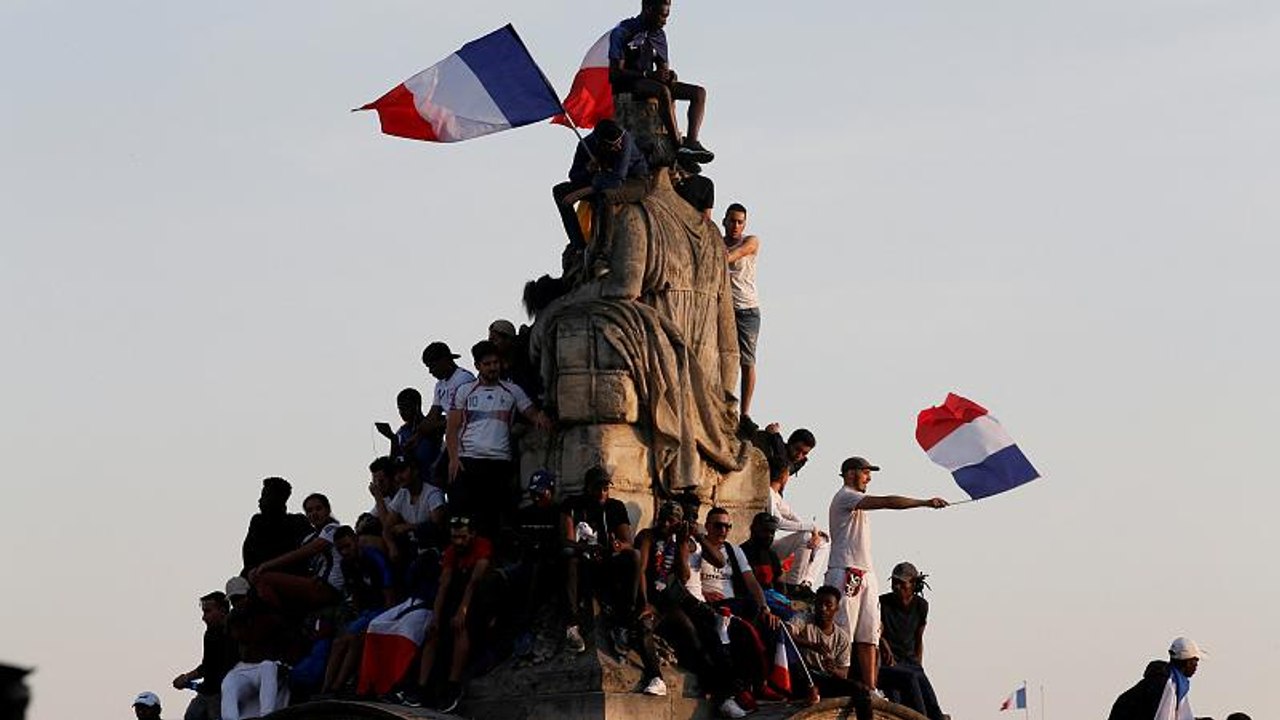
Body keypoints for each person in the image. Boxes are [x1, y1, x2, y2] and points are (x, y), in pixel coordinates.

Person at [825, 457, 948, 694]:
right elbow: (888, 502)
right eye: (865, 473)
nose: (868, 478)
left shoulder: (855, 501)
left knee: (868, 634)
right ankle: (840, 685)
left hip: (866, 572)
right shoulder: (845, 496)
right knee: (844, 633)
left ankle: (870, 688)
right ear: (850, 474)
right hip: (845, 571)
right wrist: (924, 502)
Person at [636, 502, 748, 717]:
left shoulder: (682, 541)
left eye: (672, 521)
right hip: (660, 600)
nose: (667, 524)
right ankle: (656, 677)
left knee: (711, 635)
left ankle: (727, 695)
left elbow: (688, 573)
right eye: (664, 519)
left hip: (680, 600)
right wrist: (644, 603)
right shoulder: (648, 536)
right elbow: (642, 570)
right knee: (688, 632)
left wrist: (685, 541)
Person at [446, 341, 552, 536]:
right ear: (477, 366)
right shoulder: (465, 390)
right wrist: (453, 458)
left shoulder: (512, 390)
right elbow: (451, 428)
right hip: (469, 460)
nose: (493, 367)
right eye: (487, 364)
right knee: (463, 517)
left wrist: (541, 416)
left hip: (499, 462)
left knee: (492, 519)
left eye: (495, 362)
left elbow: (531, 412)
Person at [407, 515, 494, 713]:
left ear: (472, 534)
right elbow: (444, 585)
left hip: (481, 597)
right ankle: (421, 688)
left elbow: (474, 582)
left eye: (462, 537)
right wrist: (435, 618)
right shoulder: (451, 552)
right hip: (458, 595)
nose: (458, 542)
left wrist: (462, 611)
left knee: (460, 628)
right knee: (433, 633)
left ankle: (453, 686)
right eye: (455, 537)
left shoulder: (482, 546)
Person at [608, 0, 714, 163]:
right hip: (629, 85)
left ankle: (692, 142)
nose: (664, 21)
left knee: (698, 93)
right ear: (648, 10)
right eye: (661, 16)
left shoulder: (659, 34)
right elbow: (615, 74)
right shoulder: (623, 31)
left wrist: (669, 76)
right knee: (662, 91)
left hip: (650, 81)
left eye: (667, 16)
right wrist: (647, 74)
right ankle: (677, 145)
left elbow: (663, 68)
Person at [561, 467, 644, 660]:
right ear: (587, 488)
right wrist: (588, 550)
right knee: (569, 558)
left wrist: (618, 546)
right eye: (597, 488)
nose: (602, 493)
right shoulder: (572, 505)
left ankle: (623, 622)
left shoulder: (615, 507)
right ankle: (572, 625)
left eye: (606, 488)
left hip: (607, 562)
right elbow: (566, 540)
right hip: (583, 562)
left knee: (634, 556)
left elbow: (627, 542)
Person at [551, 119, 650, 278]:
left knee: (606, 196)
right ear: (600, 143)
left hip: (634, 182)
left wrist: (584, 191)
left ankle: (602, 255)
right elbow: (574, 176)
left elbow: (617, 179)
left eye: (619, 142)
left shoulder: (625, 140)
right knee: (559, 191)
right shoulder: (586, 145)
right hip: (599, 181)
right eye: (612, 145)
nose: (618, 146)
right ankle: (578, 246)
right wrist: (587, 169)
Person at [321, 526, 396, 696]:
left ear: (355, 540)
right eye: (340, 549)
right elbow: (354, 595)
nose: (345, 552)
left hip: (383, 611)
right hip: (365, 612)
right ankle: (325, 688)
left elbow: (390, 598)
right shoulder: (345, 564)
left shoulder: (375, 558)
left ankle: (337, 687)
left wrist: (381, 622)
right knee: (338, 642)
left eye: (347, 546)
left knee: (355, 639)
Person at [248, 493, 345, 614]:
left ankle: (282, 622)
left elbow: (309, 550)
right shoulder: (309, 538)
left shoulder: (333, 529)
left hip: (329, 588)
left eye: (318, 508)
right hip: (315, 584)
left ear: (328, 510)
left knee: (265, 579)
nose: (314, 513)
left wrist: (266, 566)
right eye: (309, 511)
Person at [786, 586, 872, 720]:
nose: (823, 609)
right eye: (819, 604)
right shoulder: (804, 619)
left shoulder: (842, 637)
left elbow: (844, 672)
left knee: (861, 689)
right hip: (803, 676)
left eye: (828, 605)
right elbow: (787, 632)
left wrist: (833, 669)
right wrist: (813, 646)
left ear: (836, 608)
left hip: (825, 679)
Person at [764, 426, 828, 596]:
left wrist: (815, 531)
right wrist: (809, 528)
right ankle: (793, 586)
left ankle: (806, 583)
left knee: (822, 541)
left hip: (776, 546)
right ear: (784, 475)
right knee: (806, 537)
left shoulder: (777, 496)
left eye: (804, 453)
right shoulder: (768, 494)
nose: (800, 456)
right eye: (797, 450)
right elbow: (777, 522)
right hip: (765, 548)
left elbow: (792, 515)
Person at [878, 562, 944, 720]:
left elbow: (918, 639)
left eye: (901, 583)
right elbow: (875, 632)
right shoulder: (882, 603)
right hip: (890, 665)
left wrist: (918, 665)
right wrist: (883, 643)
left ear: (913, 584)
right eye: (894, 582)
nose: (896, 587)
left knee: (933, 708)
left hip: (911, 663)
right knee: (902, 707)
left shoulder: (921, 606)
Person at [220, 577, 291, 720]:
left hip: (272, 664)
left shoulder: (267, 614)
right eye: (234, 600)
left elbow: (286, 639)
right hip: (247, 667)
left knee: (267, 667)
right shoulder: (233, 620)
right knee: (229, 680)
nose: (238, 602)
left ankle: (267, 715)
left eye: (241, 597)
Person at [172, 591, 238, 720]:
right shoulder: (210, 634)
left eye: (207, 611)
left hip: (223, 691)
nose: (203, 617)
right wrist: (186, 678)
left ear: (223, 611)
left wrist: (187, 679)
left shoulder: (235, 631)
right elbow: (207, 666)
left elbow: (224, 666)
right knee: (192, 715)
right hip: (208, 690)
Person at [723, 203, 761, 428]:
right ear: (725, 222)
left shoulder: (751, 241)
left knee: (747, 361)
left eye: (740, 222)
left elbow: (735, 254)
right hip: (724, 308)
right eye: (732, 221)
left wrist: (716, 254)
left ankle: (745, 413)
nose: (736, 225)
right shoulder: (717, 241)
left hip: (747, 308)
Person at [375, 454, 446, 563]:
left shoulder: (433, 494)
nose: (398, 476)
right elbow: (387, 526)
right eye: (396, 472)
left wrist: (409, 527)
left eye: (402, 471)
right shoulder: (402, 494)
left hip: (433, 550)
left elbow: (437, 526)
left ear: (415, 471)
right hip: (412, 549)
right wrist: (391, 546)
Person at [421, 341, 476, 471]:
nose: (430, 371)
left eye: (432, 366)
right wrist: (418, 433)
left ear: (444, 361)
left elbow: (466, 415)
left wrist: (435, 425)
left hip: (467, 438)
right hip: (452, 438)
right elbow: (433, 414)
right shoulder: (439, 385)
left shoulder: (464, 379)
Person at [241, 476, 311, 576]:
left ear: (277, 498)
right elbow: (248, 557)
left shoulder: (298, 522)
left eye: (264, 496)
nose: (260, 501)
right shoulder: (258, 521)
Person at [374, 388, 438, 476]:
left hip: (432, 478)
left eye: (405, 407)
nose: (402, 412)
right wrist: (393, 439)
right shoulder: (401, 432)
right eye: (400, 408)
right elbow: (394, 464)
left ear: (417, 406)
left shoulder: (431, 425)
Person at [1155, 636, 1204, 720]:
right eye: (1195, 661)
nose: (1196, 665)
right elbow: (1164, 717)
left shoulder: (1176, 680)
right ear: (1188, 662)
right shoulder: (1170, 684)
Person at [739, 512, 784, 593]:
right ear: (753, 529)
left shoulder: (772, 555)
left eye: (772, 532)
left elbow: (780, 584)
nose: (769, 535)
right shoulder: (740, 552)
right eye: (765, 531)